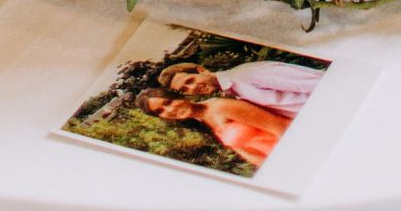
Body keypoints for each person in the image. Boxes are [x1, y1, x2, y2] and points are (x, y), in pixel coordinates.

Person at [137, 86, 290, 169]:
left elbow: (280, 126)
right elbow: (250, 152)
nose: (169, 110)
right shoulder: (202, 123)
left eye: (168, 102)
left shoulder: (220, 107)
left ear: (179, 96)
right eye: (160, 112)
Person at [157, 55, 320, 116]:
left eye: (190, 80)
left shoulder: (246, 75)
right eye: (185, 90)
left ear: (201, 70)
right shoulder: (231, 94)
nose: (192, 88)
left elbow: (315, 83)